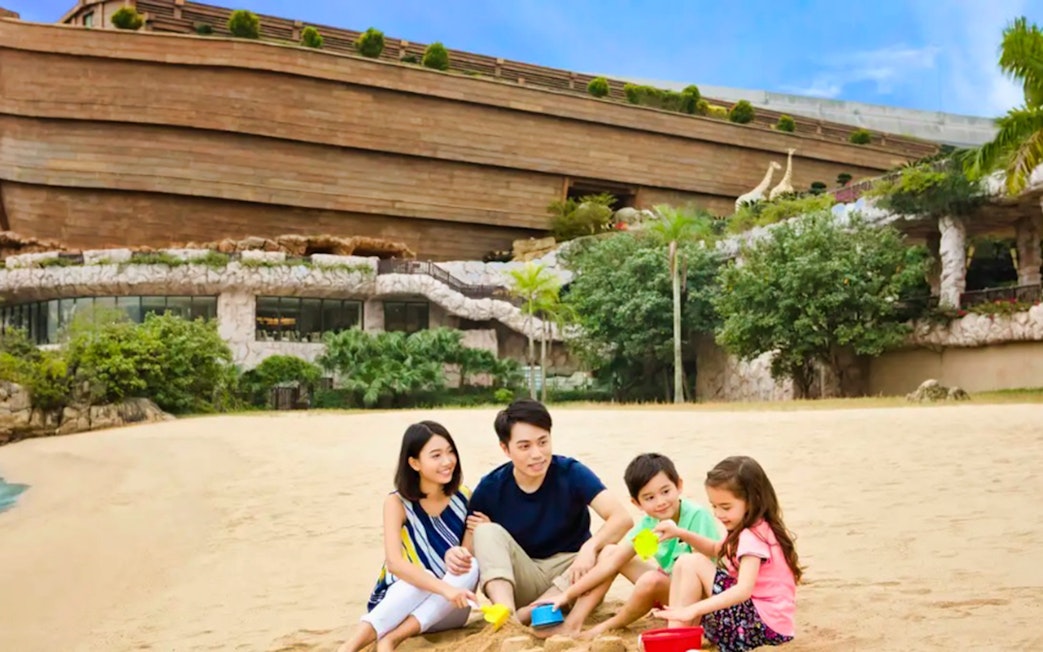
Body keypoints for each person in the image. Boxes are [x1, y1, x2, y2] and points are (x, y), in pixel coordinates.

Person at [467, 399, 633, 628]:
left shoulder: (571, 473)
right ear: (505, 449)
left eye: (543, 442)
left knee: (610, 551)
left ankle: (524, 615)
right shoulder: (491, 488)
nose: (537, 454)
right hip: (523, 578)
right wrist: (483, 536)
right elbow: (469, 549)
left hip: (574, 578)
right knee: (485, 531)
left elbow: (622, 518)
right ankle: (508, 615)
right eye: (525, 446)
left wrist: (589, 547)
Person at [535, 453, 722, 638]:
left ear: (679, 485)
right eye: (649, 497)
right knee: (610, 552)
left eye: (665, 491)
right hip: (669, 589)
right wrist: (567, 594)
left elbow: (704, 569)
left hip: (701, 597)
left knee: (652, 579)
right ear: (636, 503)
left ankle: (609, 625)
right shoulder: (649, 525)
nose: (661, 502)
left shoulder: (696, 515)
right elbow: (613, 563)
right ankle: (574, 623)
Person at [338, 421, 479, 652]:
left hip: (444, 610)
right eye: (436, 455)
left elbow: (465, 556)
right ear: (414, 463)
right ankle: (349, 648)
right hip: (399, 605)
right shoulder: (396, 503)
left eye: (450, 451)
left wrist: (475, 531)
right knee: (416, 579)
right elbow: (395, 564)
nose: (447, 461)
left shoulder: (464, 496)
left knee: (470, 565)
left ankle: (392, 639)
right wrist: (445, 589)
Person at [653, 456, 802, 652]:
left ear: (752, 501)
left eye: (726, 507)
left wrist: (693, 609)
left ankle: (675, 640)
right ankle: (677, 637)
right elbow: (717, 549)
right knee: (685, 561)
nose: (718, 514)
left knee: (690, 562)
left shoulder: (752, 536)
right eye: (714, 506)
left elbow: (743, 590)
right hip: (770, 627)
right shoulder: (755, 527)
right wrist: (680, 533)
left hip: (760, 627)